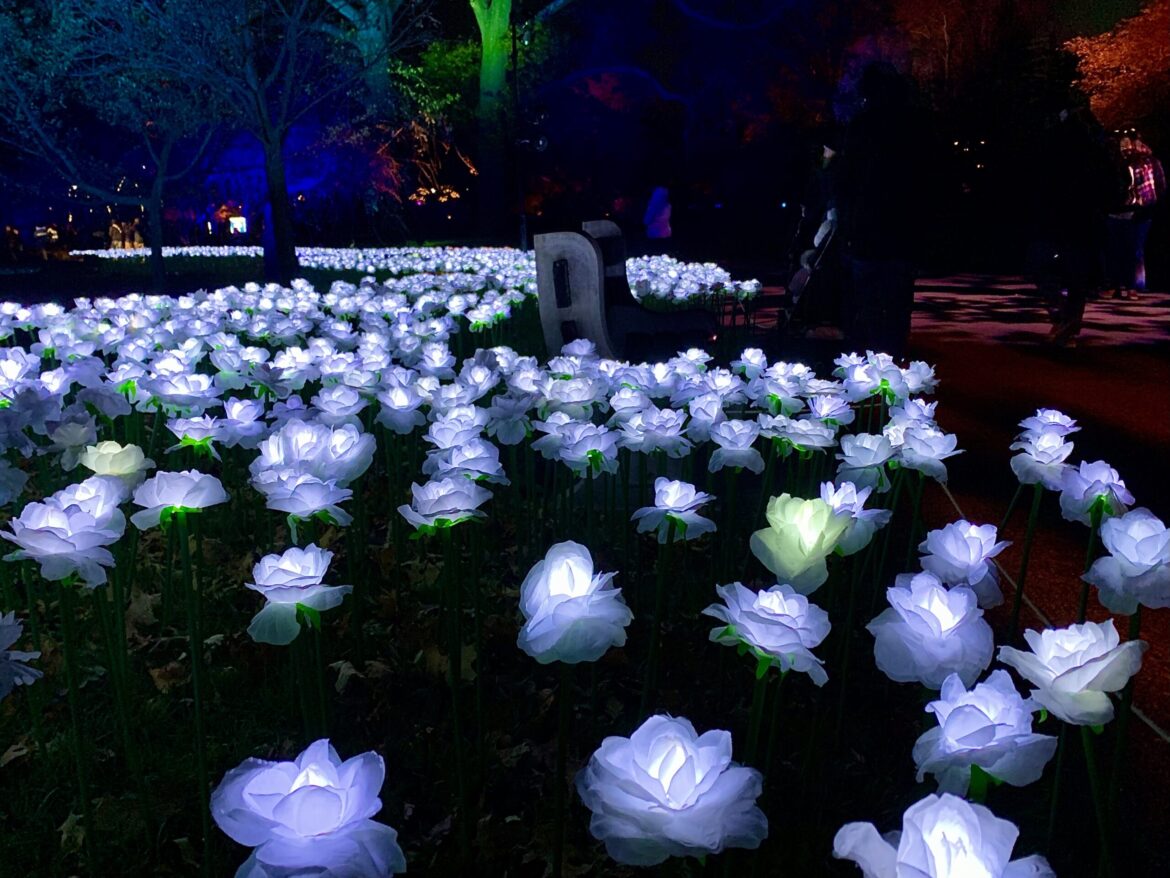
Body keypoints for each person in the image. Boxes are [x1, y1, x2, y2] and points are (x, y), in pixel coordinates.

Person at [836, 62, 934, 360]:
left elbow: (846, 181)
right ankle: (892, 360)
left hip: (869, 231)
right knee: (896, 305)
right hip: (902, 232)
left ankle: (870, 362)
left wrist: (846, 224)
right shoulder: (916, 125)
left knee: (868, 303)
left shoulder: (862, 127)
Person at [1035, 107, 1114, 346]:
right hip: (1083, 218)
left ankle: (1064, 318)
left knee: (1046, 267)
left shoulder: (1058, 150)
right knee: (1075, 274)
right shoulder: (1093, 150)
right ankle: (1068, 321)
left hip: (1063, 217)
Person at [1105, 130, 1164, 300]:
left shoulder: (1148, 162)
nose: (1126, 148)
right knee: (1119, 249)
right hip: (1120, 210)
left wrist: (1148, 203)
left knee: (1133, 250)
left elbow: (1159, 185)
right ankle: (1119, 285)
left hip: (1139, 211)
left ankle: (1133, 286)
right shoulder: (1117, 162)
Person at [642, 185, 672, 254]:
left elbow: (646, 221)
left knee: (654, 255)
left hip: (654, 234)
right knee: (664, 255)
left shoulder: (653, 207)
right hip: (666, 234)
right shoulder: (668, 205)